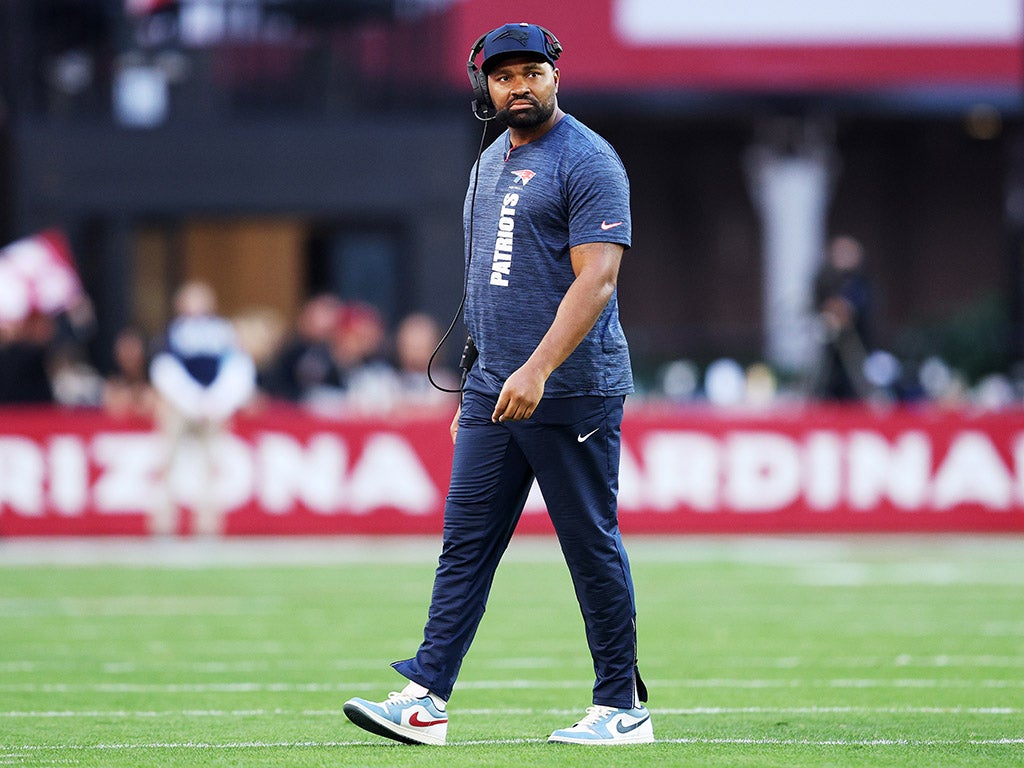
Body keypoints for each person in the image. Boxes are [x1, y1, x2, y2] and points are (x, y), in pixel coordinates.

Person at [343, 22, 652, 747]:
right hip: (494, 390)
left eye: (532, 72)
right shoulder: (491, 161)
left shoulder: (589, 159)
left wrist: (537, 369)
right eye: (505, 75)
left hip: (570, 386)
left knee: (587, 541)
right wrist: (478, 380)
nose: (519, 85)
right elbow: (492, 277)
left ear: (555, 76)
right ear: (485, 83)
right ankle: (425, 699)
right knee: (466, 542)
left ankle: (622, 706)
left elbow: (599, 279)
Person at [148, 281, 256, 536]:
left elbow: (238, 368)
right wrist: (192, 399)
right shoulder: (172, 332)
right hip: (179, 406)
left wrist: (218, 400)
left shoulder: (223, 332)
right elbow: (165, 369)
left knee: (213, 465)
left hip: (214, 408)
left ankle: (208, 525)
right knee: (167, 463)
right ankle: (163, 523)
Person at [810, 234, 873, 401]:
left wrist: (844, 310)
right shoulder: (824, 279)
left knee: (855, 392)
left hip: (856, 347)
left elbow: (859, 308)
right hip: (829, 352)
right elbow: (817, 304)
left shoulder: (861, 282)